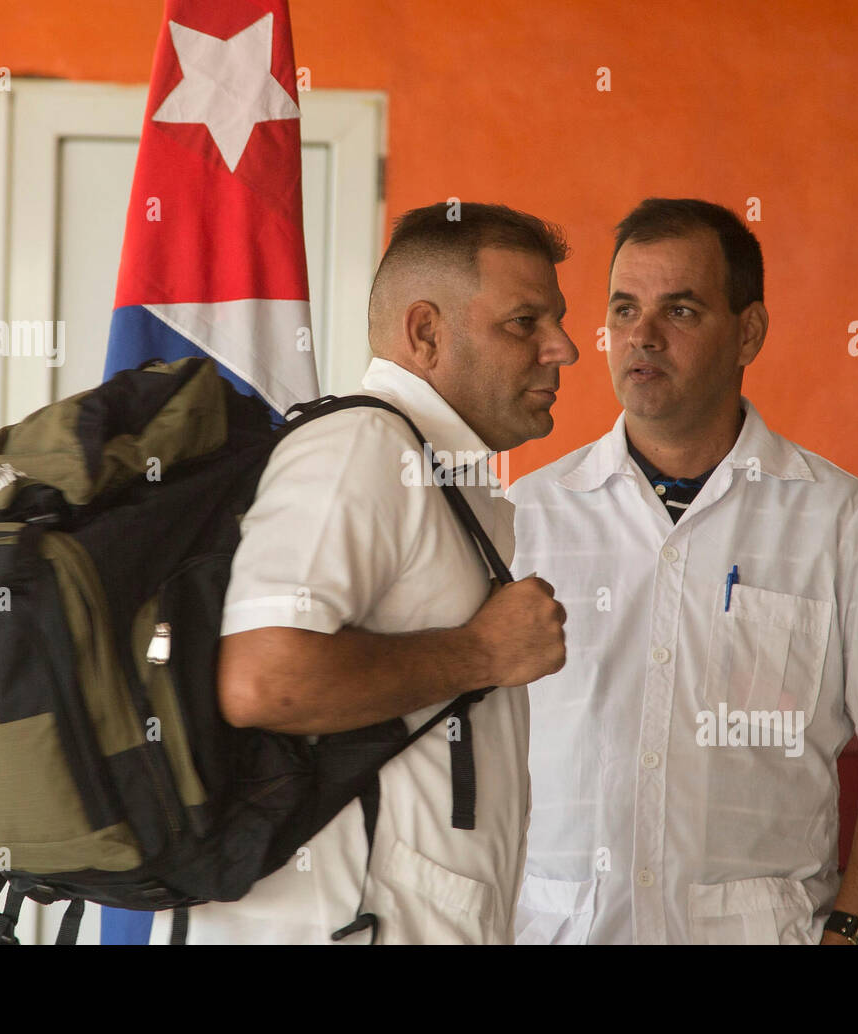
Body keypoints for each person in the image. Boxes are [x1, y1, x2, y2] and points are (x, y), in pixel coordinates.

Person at [509, 198, 858, 945]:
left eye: (680, 310)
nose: (642, 336)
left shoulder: (838, 518)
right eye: (624, 309)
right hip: (557, 929)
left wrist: (856, 932)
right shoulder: (528, 516)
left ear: (747, 331)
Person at [148, 201, 578, 944]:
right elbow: (264, 677)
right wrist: (483, 653)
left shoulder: (431, 467)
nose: (564, 348)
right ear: (425, 332)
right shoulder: (363, 449)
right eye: (525, 322)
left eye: (558, 321)